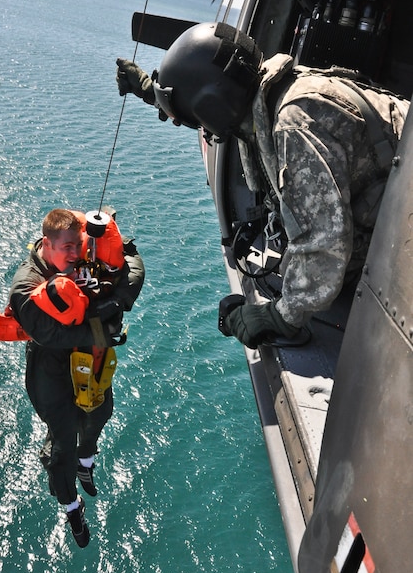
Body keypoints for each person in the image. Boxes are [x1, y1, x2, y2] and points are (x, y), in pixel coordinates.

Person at [116, 21, 409, 347]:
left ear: (212, 104)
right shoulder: (264, 91)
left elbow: (323, 241)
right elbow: (212, 103)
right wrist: (149, 90)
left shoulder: (295, 125)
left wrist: (281, 315)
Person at [8, 207, 144, 547]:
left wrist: (118, 302)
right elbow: (48, 335)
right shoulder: (27, 285)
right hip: (50, 368)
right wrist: (98, 324)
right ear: (48, 245)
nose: (74, 254)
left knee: (100, 411)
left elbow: (132, 260)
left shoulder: (85, 249)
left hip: (89, 356)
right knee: (61, 443)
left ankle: (87, 462)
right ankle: (71, 505)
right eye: (67, 248)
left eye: (77, 245)